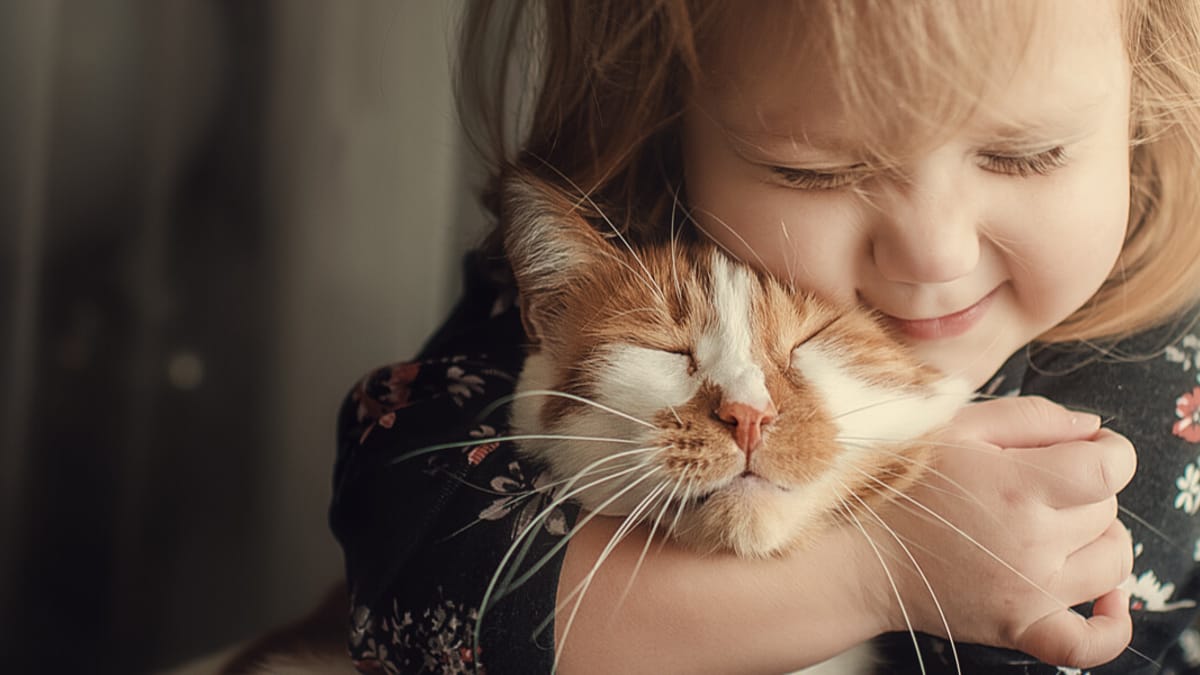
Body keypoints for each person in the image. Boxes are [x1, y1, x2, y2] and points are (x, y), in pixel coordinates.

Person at [329, 1, 1200, 672]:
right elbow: (417, 586)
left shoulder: (1170, 364)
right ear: (668, 119)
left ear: (1148, 104)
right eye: (813, 170)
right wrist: (875, 568)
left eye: (1026, 154)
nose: (935, 254)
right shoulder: (630, 267)